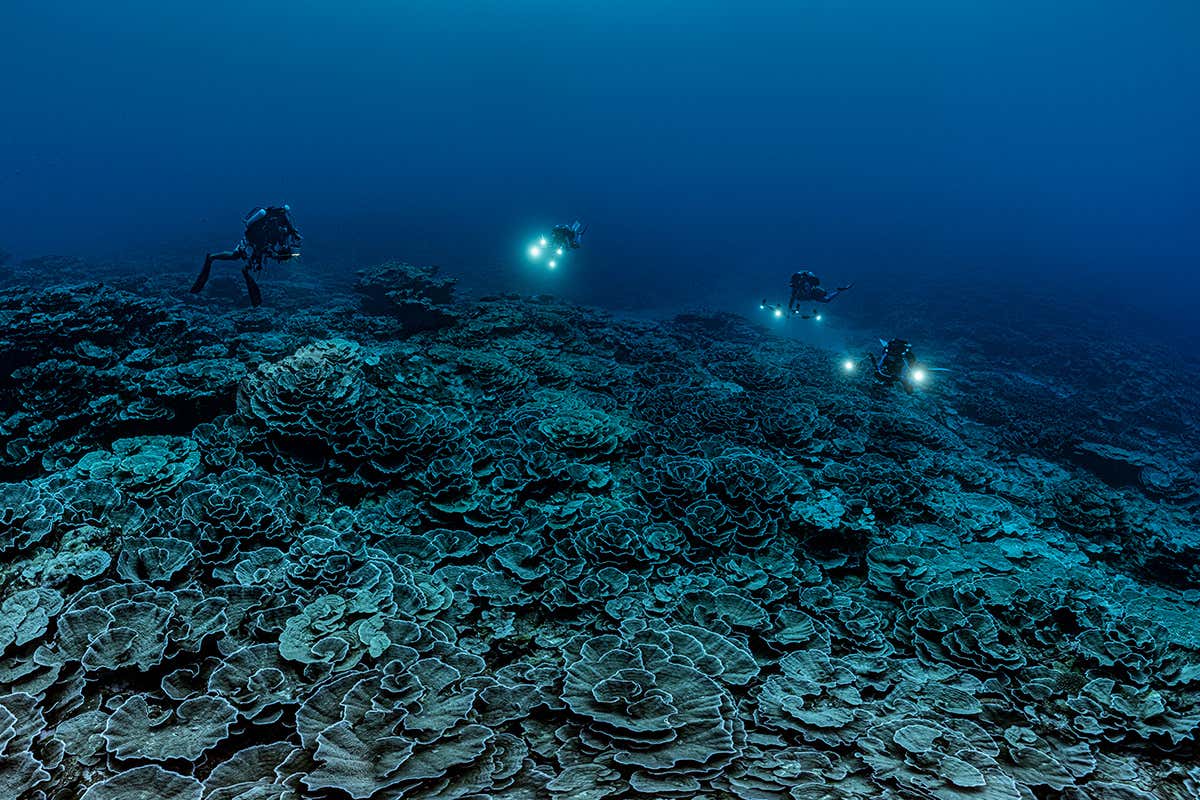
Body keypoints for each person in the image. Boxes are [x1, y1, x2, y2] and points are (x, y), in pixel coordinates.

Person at [190, 205, 302, 307]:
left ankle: (241, 269)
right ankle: (212, 257)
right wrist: (270, 252)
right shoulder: (269, 225)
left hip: (259, 245)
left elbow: (288, 237)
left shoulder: (283, 226)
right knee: (236, 256)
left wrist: (285, 250)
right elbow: (257, 240)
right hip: (252, 243)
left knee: (241, 259)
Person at [788, 270, 852, 314]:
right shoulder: (797, 286)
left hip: (812, 294)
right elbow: (793, 297)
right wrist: (790, 308)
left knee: (826, 298)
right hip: (808, 295)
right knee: (826, 299)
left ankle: (839, 290)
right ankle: (839, 290)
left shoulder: (807, 281)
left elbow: (815, 284)